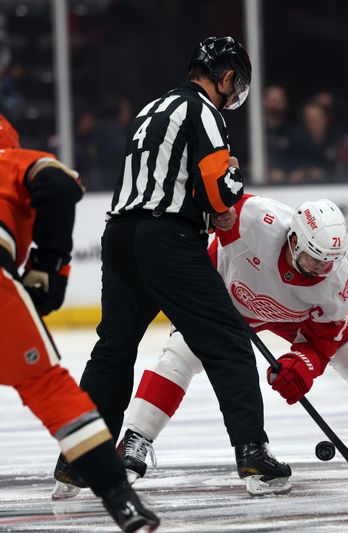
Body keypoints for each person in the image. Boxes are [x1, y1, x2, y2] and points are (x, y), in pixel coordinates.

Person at [52, 37, 290, 498]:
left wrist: (210, 197)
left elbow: (168, 176)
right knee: (228, 345)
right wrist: (230, 186)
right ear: (225, 78)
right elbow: (218, 190)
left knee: (113, 350)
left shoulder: (150, 108)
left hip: (119, 235)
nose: (232, 92)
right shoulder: (205, 110)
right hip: (167, 239)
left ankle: (79, 458)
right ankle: (253, 456)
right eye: (233, 84)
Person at [115, 196, 348, 491]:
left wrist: (303, 365)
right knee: (180, 355)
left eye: (329, 262)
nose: (319, 269)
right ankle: (134, 440)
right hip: (220, 300)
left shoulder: (338, 283)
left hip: (293, 317)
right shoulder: (253, 219)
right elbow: (207, 209)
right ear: (293, 238)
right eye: (313, 257)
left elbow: (323, 340)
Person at [0, 114, 159, 531]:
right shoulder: (9, 161)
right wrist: (50, 265)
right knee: (50, 389)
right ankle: (119, 499)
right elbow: (59, 183)